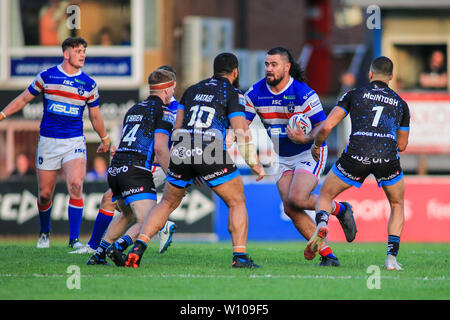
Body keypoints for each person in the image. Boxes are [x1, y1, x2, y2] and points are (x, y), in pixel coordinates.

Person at [124, 52, 265, 269]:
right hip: (209, 145)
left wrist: (186, 162)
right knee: (236, 201)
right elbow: (240, 129)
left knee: (167, 202)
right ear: (235, 72)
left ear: (214, 70)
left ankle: (138, 247)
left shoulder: (192, 89)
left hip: (182, 144)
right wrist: (254, 163)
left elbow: (177, 128)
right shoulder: (233, 93)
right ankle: (240, 257)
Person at [244, 47, 356, 267]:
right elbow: (242, 126)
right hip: (282, 156)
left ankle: (341, 210)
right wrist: (240, 144)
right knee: (289, 207)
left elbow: (323, 127)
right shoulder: (255, 93)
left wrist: (304, 139)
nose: (268, 69)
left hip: (310, 151)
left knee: (296, 198)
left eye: (274, 64)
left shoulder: (303, 93)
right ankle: (329, 255)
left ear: (287, 67)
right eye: (267, 64)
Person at [0, 37, 110, 249]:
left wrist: (105, 139)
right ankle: (44, 232)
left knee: (76, 185)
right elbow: (24, 99)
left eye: (84, 51)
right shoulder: (47, 76)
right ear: (66, 54)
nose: (82, 55)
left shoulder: (89, 84)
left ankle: (74, 240)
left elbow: (95, 116)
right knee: (44, 195)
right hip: (48, 142)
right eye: (78, 51)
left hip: (74, 141)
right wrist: (3, 114)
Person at [310, 56, 410, 270]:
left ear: (370, 74)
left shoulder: (353, 94)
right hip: (387, 157)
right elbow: (402, 145)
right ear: (391, 77)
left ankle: (322, 224)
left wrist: (317, 145)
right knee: (397, 204)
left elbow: (327, 127)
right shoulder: (402, 104)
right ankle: (391, 259)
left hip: (356, 154)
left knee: (326, 194)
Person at [70, 65, 179, 256]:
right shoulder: (162, 108)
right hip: (140, 165)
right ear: (168, 87)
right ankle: (112, 246)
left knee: (116, 203)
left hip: (145, 166)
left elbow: (168, 143)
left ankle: (98, 249)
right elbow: (153, 142)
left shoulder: (160, 108)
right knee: (135, 214)